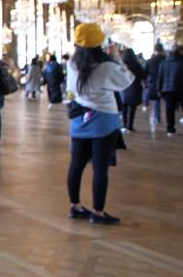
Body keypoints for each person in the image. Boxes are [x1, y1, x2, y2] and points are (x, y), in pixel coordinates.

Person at [65, 23, 134, 225]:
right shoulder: (106, 66)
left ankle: (75, 206)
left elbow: (71, 90)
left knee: (76, 165)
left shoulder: (72, 64)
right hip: (104, 119)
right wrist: (114, 56)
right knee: (100, 168)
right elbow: (127, 80)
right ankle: (98, 212)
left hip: (79, 119)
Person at [157, 43, 182, 136]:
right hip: (180, 89)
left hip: (167, 89)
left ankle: (170, 129)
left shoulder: (164, 63)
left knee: (169, 110)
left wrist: (159, 89)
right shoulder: (181, 61)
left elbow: (160, 77)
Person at [120, 48, 146, 132]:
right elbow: (143, 75)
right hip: (135, 89)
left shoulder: (121, 65)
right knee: (132, 108)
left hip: (123, 89)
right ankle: (130, 126)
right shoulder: (137, 65)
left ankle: (124, 125)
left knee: (124, 108)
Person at [144, 43, 166, 130]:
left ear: (154, 50)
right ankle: (168, 117)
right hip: (164, 82)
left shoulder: (150, 61)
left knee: (156, 101)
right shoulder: (166, 60)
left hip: (153, 82)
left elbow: (145, 73)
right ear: (162, 50)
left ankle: (157, 117)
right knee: (166, 100)